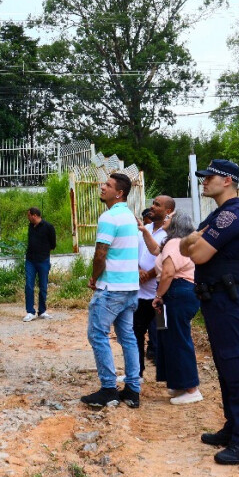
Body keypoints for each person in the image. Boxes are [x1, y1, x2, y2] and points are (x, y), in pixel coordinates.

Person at [180, 159, 239, 465]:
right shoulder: (218, 214)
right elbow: (185, 247)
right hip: (215, 299)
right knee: (226, 367)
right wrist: (192, 240)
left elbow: (197, 255)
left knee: (236, 369)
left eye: (209, 177)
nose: (204, 181)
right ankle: (234, 427)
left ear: (227, 181)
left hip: (227, 299)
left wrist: (193, 241)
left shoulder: (230, 216)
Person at [81, 172, 141, 409]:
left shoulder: (109, 217)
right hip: (130, 287)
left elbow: (100, 254)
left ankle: (108, 389)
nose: (102, 187)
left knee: (97, 335)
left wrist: (95, 277)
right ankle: (133, 389)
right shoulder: (130, 217)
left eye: (108, 185)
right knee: (128, 337)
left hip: (111, 287)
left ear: (119, 193)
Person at [152, 211, 202, 405]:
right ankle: (180, 384)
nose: (165, 219)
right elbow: (154, 251)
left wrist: (158, 296)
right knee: (171, 338)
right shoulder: (180, 243)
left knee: (178, 339)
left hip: (176, 291)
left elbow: (168, 273)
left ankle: (191, 388)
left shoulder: (174, 243)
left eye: (169, 217)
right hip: (181, 292)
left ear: (176, 223)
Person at [133, 195, 174, 375]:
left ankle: (165, 372)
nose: (152, 207)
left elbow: (166, 261)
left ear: (168, 211)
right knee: (136, 332)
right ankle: (137, 372)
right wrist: (137, 270)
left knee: (161, 331)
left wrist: (149, 274)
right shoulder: (144, 229)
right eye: (153, 203)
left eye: (157, 205)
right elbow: (134, 252)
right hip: (140, 294)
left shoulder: (170, 233)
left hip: (160, 296)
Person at [23, 206, 57, 322]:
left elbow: (53, 244)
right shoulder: (30, 226)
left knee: (43, 286)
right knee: (29, 285)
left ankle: (42, 311)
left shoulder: (48, 227)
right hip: (30, 260)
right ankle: (30, 312)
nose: (28, 218)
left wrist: (44, 252)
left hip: (43, 260)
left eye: (29, 215)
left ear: (35, 215)